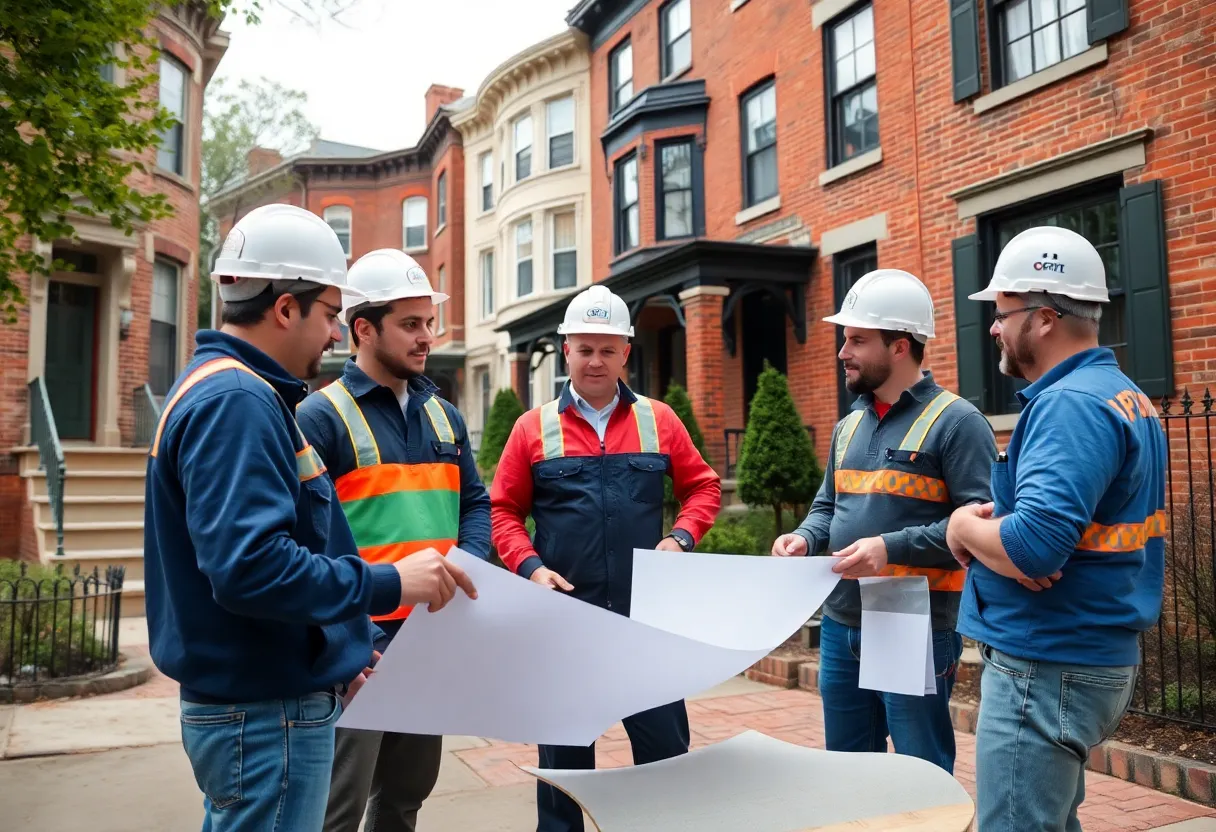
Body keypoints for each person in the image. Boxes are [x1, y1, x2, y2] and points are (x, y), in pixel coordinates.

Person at [143, 204, 477, 832]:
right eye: (328, 313)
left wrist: (342, 649)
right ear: (285, 307)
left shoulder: (222, 391)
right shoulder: (237, 403)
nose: (332, 334)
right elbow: (251, 568)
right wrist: (387, 583)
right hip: (264, 713)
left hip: (264, 698)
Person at [946, 226, 1166, 831]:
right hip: (1083, 654)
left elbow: (1034, 548)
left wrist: (962, 528)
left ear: (1043, 317)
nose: (993, 326)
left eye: (1001, 311)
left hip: (1046, 662)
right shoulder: (1123, 396)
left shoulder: (1070, 404)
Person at [490, 284, 721, 832]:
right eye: (584, 348)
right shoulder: (532, 428)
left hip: (647, 628)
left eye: (607, 349)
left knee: (665, 762)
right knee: (565, 775)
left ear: (625, 352)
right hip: (566, 624)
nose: (595, 360)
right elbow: (502, 511)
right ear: (565, 349)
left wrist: (681, 539)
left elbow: (704, 488)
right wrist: (529, 567)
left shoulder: (660, 420)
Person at [294, 249, 491, 832]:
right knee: (338, 810)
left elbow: (474, 503)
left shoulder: (444, 418)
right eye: (410, 324)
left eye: (429, 322)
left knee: (405, 799)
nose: (426, 336)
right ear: (363, 328)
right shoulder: (319, 419)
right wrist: (347, 642)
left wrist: (464, 563)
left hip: (428, 642)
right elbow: (307, 544)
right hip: (362, 651)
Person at [771, 269, 996, 774]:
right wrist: (803, 538)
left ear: (899, 345)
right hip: (841, 618)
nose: (842, 351)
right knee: (849, 771)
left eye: (856, 339)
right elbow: (828, 507)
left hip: (911, 620)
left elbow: (980, 530)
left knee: (920, 771)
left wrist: (888, 548)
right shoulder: (848, 424)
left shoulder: (958, 423)